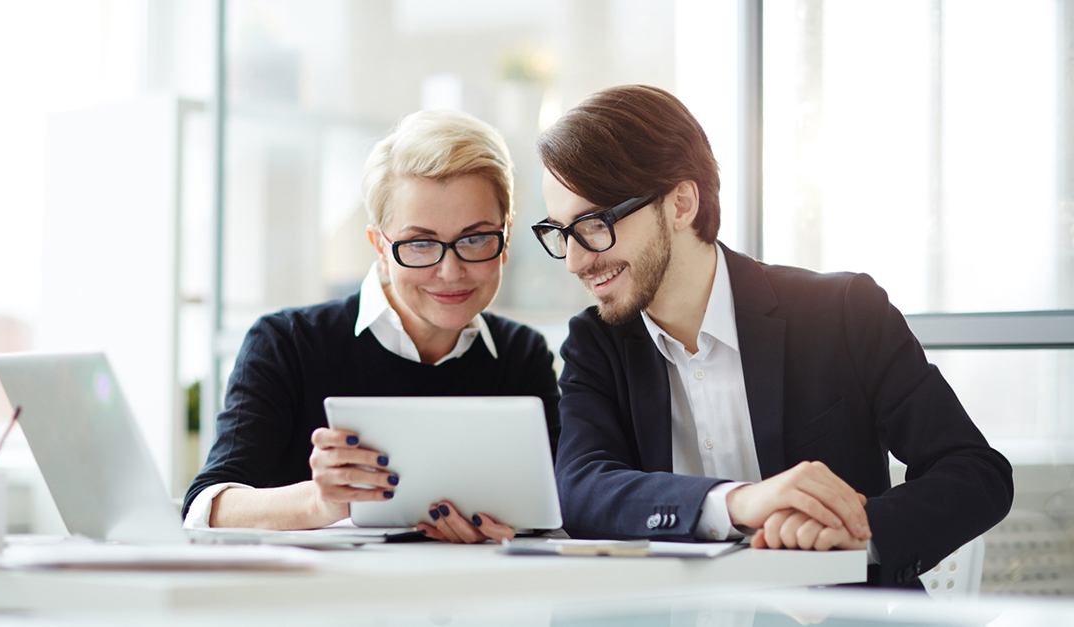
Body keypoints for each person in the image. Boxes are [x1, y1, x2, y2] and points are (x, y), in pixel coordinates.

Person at [533, 84, 1012, 587]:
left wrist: (855, 532)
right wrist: (736, 501)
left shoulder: (844, 313)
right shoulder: (595, 344)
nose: (574, 260)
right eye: (560, 232)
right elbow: (582, 487)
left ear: (680, 203)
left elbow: (975, 472)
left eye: (591, 223)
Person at [183, 109, 561, 543]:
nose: (451, 270)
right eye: (420, 243)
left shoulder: (521, 355)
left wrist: (514, 527)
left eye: (475, 239)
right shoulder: (288, 343)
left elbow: (553, 505)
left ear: (506, 237)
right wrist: (320, 503)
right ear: (379, 245)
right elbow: (206, 505)